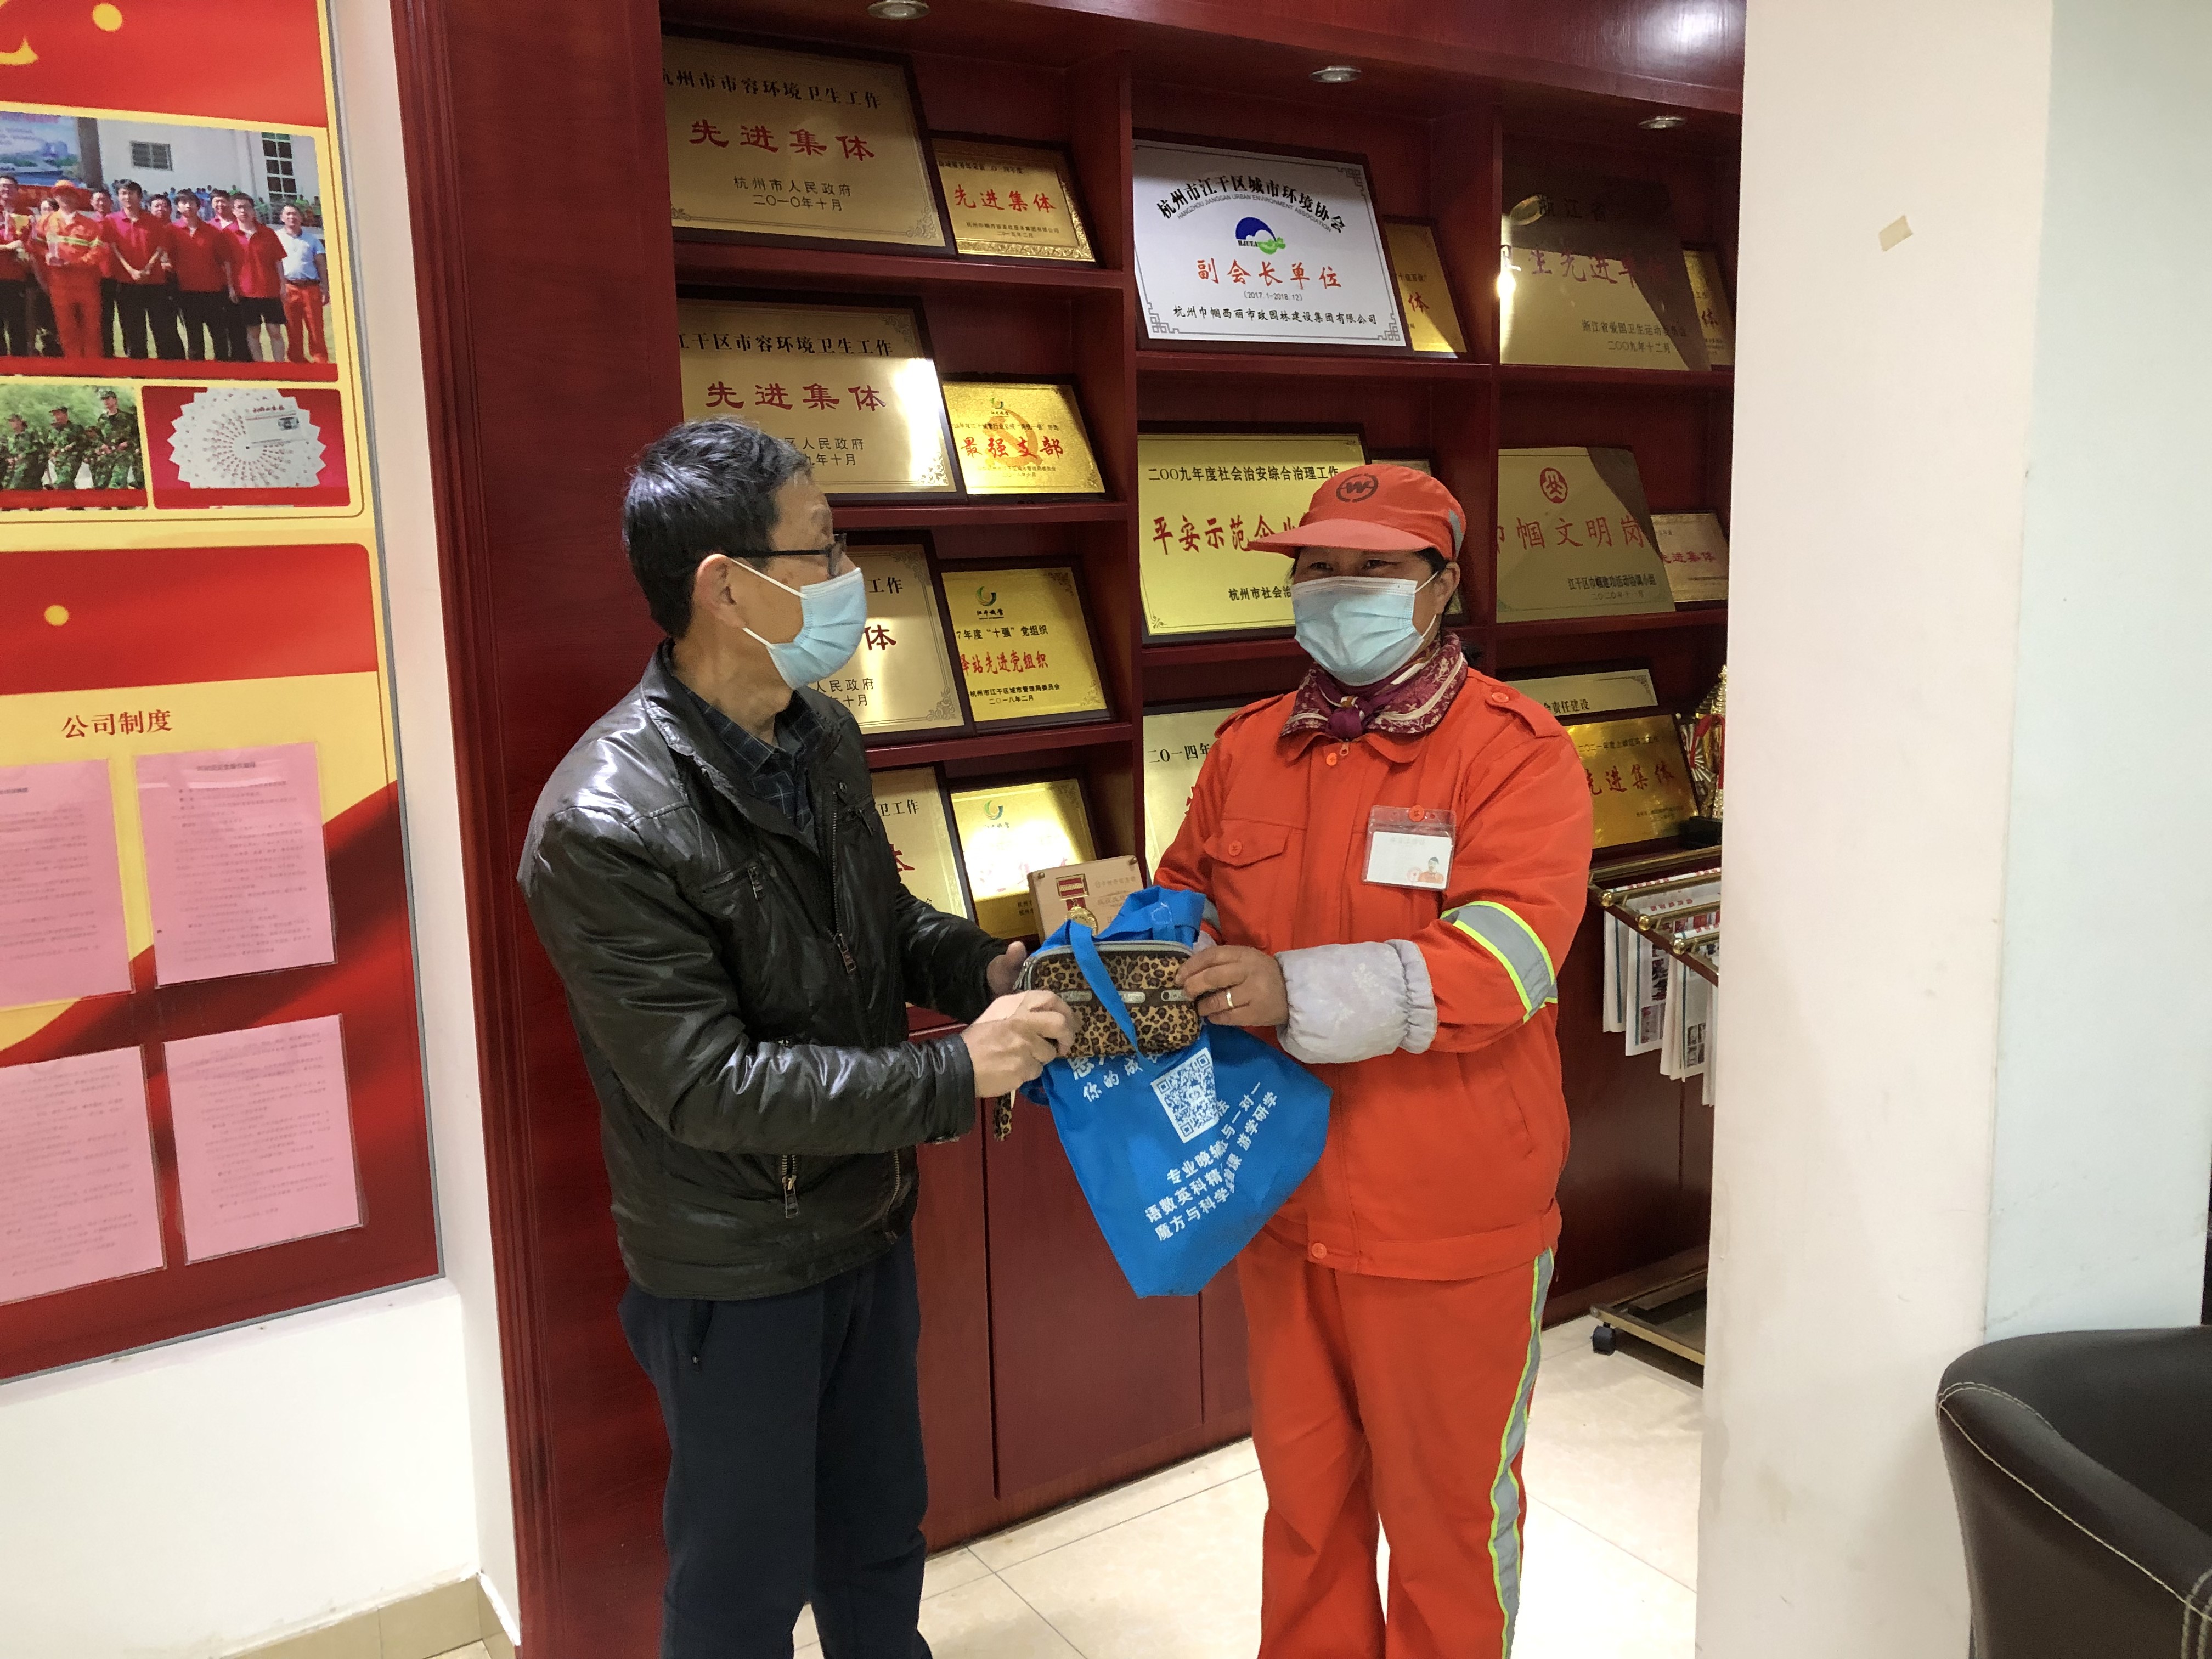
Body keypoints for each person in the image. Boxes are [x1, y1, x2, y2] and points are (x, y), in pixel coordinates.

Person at [516, 418, 1077, 1659]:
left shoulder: (818, 737)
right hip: (735, 1267)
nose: (849, 577)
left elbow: (879, 920)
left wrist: (984, 968)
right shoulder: (602, 821)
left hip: (864, 1220)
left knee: (877, 1535)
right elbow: (703, 1086)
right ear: (727, 587)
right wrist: (955, 1070)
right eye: (822, 548)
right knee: (741, 1585)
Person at [1155, 464, 1594, 1659]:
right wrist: (1127, 953)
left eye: (1374, 566)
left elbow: (1507, 957)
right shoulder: (1249, 746)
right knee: (1306, 1513)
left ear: (1443, 584)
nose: (1338, 587)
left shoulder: (1516, 753)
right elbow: (1187, 894)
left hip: (1449, 1215)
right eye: (1318, 566)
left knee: (1448, 1523)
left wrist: (1290, 988)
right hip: (1282, 1201)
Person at [102, 180, 179, 360]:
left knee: (162, 328)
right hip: (126, 282)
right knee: (132, 329)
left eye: (131, 193)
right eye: (123, 194)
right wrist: (131, 271)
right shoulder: (111, 221)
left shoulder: (153, 221)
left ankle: (167, 368)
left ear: (139, 196)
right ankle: (138, 368)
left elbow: (161, 248)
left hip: (155, 282)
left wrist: (148, 268)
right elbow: (114, 248)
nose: (127, 197)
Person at [38, 182, 109, 360]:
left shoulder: (91, 225)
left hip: (87, 284)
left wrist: (73, 263)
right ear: (55, 198)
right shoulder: (45, 222)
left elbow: (98, 253)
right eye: (61, 194)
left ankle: (93, 366)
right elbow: (35, 245)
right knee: (66, 327)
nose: (66, 198)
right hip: (59, 285)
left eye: (70, 194)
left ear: (77, 198)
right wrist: (46, 254)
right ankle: (73, 365)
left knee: (92, 327)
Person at [166, 190, 238, 360]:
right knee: (194, 336)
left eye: (191, 202)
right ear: (178, 207)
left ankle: (223, 368)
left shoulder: (213, 232)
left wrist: (230, 287)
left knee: (220, 335)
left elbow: (225, 261)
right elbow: (165, 257)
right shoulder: (171, 231)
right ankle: (197, 371)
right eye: (183, 202)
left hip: (213, 291)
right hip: (186, 292)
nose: (188, 206)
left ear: (199, 206)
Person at [227, 195, 286, 361]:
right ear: (233, 211)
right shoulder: (228, 234)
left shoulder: (268, 233)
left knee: (275, 331)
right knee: (253, 332)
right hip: (245, 292)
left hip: (270, 290)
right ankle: (260, 368)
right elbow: (228, 263)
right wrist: (231, 287)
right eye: (239, 207)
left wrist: (283, 286)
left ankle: (280, 368)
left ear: (253, 210)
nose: (243, 211)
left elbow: (278, 261)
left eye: (247, 207)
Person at [273, 202, 327, 363]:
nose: (292, 217)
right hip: (288, 287)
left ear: (301, 218)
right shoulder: (275, 238)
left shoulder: (312, 240)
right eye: (288, 214)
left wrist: (326, 288)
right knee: (292, 327)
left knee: (316, 327)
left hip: (310, 288)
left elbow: (321, 264)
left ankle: (320, 361)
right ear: (282, 218)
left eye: (295, 214)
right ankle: (297, 361)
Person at [91, 387, 141, 489]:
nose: (106, 401)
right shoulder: (102, 420)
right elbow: (97, 437)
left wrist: (128, 443)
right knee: (101, 485)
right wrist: (102, 446)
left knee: (116, 482)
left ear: (115, 400)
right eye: (104, 399)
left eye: (108, 398)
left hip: (124, 454)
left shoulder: (128, 418)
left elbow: (138, 435)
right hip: (108, 454)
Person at [44, 404, 97, 488]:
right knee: (67, 485)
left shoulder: (76, 428)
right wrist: (52, 452)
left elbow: (85, 442)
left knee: (64, 481)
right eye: (54, 415)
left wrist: (73, 446)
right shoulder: (54, 431)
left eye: (58, 414)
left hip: (72, 460)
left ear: (65, 415)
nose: (56, 417)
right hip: (58, 463)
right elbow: (48, 446)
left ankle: (55, 488)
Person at [2, 410, 48, 489]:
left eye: (13, 421)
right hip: (12, 470)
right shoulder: (11, 438)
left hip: (29, 469)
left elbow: (40, 448)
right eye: (10, 421)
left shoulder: (30, 434)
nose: (11, 423)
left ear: (20, 421)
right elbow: (7, 453)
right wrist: (9, 459)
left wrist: (25, 454)